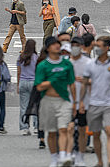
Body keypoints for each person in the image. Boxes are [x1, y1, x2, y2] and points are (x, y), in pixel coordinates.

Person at [83, 35, 110, 167]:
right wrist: (80, 102)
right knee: (96, 134)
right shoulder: (90, 65)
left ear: (107, 48)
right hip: (94, 103)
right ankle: (100, 161)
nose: (96, 49)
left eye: (99, 46)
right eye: (95, 46)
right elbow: (84, 84)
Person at [35, 37, 77, 167]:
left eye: (58, 44)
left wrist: (75, 102)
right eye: (53, 45)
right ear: (48, 48)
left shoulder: (67, 64)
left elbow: (72, 84)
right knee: (52, 132)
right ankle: (54, 158)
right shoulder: (43, 65)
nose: (57, 46)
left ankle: (64, 156)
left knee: (63, 129)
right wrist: (52, 81)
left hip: (63, 100)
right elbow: (39, 86)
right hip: (47, 101)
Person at [68, 37, 90, 166]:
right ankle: (70, 153)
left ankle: (80, 156)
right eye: (73, 45)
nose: (75, 47)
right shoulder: (66, 63)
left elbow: (94, 81)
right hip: (68, 101)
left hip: (84, 102)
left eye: (77, 45)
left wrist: (85, 81)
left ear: (82, 46)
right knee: (69, 129)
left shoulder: (88, 62)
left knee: (82, 130)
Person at [17, 39, 39, 136]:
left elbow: (18, 72)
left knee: (23, 106)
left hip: (23, 82)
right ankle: (36, 127)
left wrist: (18, 84)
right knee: (35, 105)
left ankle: (24, 127)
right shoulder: (36, 58)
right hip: (33, 82)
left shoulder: (21, 57)